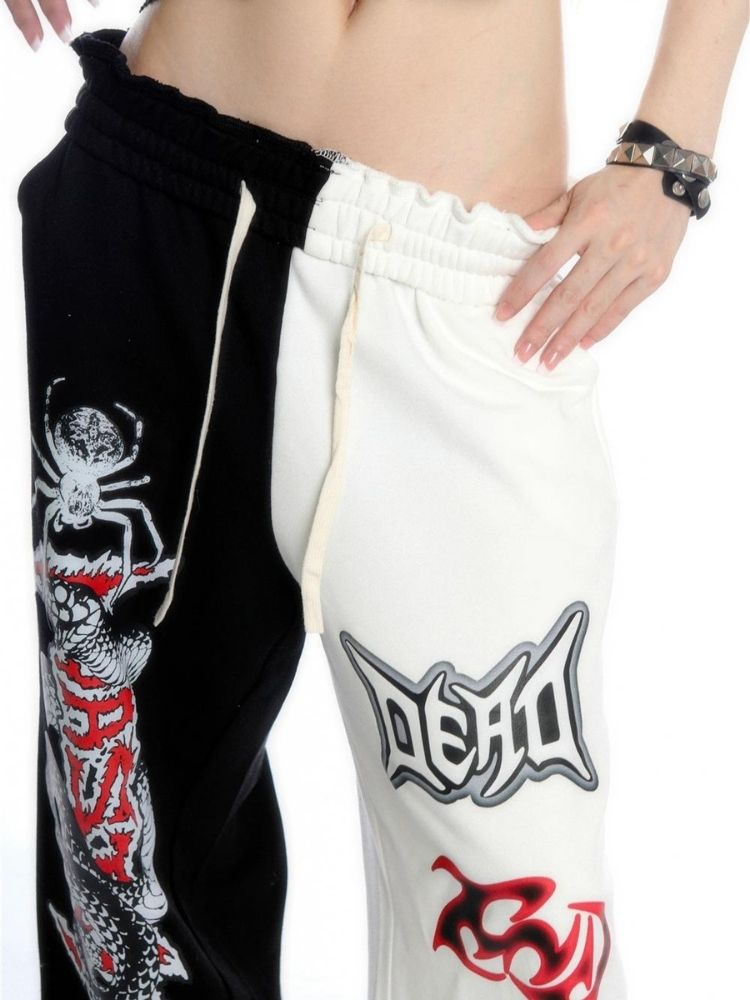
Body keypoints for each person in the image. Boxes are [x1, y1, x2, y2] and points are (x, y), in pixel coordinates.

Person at [6, 0, 747, 998]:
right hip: (157, 191)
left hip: (474, 284)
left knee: (521, 926)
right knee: (128, 895)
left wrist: (673, 153)